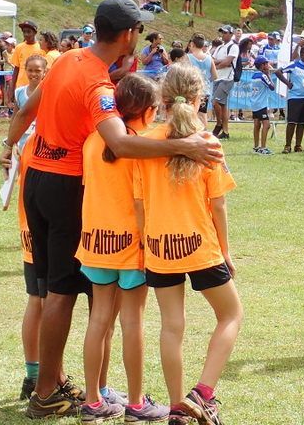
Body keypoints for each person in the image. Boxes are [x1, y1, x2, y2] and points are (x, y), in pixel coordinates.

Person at [1, 0, 221, 418]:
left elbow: (27, 110)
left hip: (37, 180)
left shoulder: (66, 60)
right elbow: (119, 143)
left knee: (50, 290)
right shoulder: (98, 85)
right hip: (66, 187)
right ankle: (47, 393)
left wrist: (9, 146)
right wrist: (185, 146)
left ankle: (62, 382)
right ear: (128, 34)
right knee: (62, 293)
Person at [132, 64, 241, 425]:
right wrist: (225, 250)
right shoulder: (207, 142)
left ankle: (178, 407)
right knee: (231, 315)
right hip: (200, 246)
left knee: (171, 326)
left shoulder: (145, 142)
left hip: (159, 248)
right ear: (198, 100)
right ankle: (203, 395)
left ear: (162, 100)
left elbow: (139, 203)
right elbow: (218, 204)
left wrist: (146, 245)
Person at [77, 74, 169, 422]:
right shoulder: (139, 146)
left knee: (98, 319)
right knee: (133, 323)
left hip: (95, 241)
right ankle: (136, 403)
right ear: (147, 110)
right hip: (132, 246)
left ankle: (93, 401)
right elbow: (144, 200)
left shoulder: (92, 140)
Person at [12, 53, 47, 401]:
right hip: (43, 233)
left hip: (29, 231)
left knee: (36, 300)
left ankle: (34, 375)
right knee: (47, 302)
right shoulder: (44, 144)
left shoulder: (30, 144)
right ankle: (46, 378)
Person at [211, 26, 239, 140]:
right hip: (218, 77)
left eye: (225, 32)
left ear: (231, 34)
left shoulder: (234, 47)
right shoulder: (219, 47)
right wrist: (220, 62)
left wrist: (218, 64)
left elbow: (227, 62)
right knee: (222, 105)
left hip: (227, 78)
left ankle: (219, 124)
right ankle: (225, 132)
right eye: (222, 32)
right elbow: (213, 61)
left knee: (215, 102)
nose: (223, 34)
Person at [186, 35, 216, 127]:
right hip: (204, 91)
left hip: (191, 90)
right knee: (203, 114)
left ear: (192, 44)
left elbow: (184, 74)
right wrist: (206, 81)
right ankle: (204, 133)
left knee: (190, 113)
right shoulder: (209, 58)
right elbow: (215, 76)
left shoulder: (188, 57)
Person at [249, 56, 276, 155]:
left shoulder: (253, 76)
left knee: (257, 124)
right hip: (261, 104)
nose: (268, 65)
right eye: (266, 64)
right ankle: (263, 147)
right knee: (266, 125)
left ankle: (256, 146)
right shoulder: (262, 76)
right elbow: (272, 87)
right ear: (262, 65)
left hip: (254, 103)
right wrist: (268, 75)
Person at [10, 21, 44, 92]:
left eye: (29, 32)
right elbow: (16, 69)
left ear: (35, 33)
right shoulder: (19, 47)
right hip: (21, 87)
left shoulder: (41, 47)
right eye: (24, 32)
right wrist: (11, 89)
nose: (26, 34)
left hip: (36, 88)